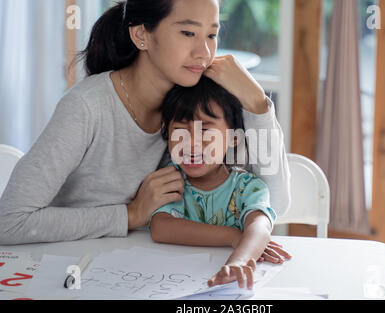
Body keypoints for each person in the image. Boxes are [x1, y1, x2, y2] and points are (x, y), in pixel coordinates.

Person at [0, 0, 291, 251]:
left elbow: (272, 203)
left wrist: (258, 105)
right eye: (188, 32)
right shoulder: (86, 107)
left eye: (212, 34)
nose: (204, 52)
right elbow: (9, 222)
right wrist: (130, 214)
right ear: (142, 35)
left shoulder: (190, 108)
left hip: (148, 269)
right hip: (71, 269)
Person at [150, 76, 291, 289]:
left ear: (234, 136)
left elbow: (259, 226)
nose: (192, 142)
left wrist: (240, 261)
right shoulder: (170, 179)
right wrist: (233, 236)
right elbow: (161, 228)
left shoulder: (249, 187)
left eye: (206, 130)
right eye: (179, 129)